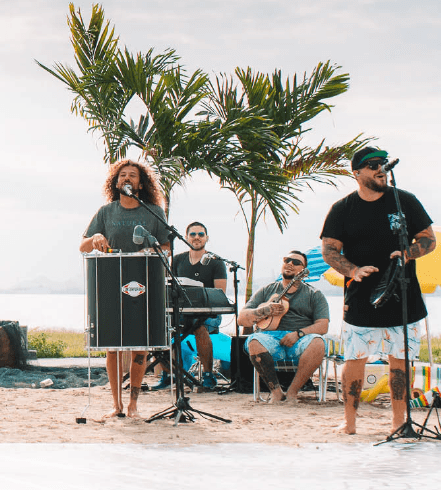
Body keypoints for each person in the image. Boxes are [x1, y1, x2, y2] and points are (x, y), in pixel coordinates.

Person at [321, 147, 435, 434]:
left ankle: (399, 422)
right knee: (355, 359)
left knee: (401, 362)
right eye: (372, 165)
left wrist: (408, 253)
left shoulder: (404, 201)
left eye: (382, 163)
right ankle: (349, 423)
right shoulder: (343, 208)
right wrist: (352, 271)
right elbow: (329, 250)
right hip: (361, 296)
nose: (380, 168)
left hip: (403, 292)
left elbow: (429, 239)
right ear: (357, 173)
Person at [79, 158, 172, 419]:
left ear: (141, 184)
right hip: (110, 283)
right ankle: (116, 405)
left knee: (140, 346)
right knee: (113, 346)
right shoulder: (106, 212)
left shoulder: (153, 211)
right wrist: (94, 238)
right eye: (122, 175)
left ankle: (133, 405)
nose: (127, 179)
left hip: (143, 284)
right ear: (116, 182)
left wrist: (150, 249)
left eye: (132, 175)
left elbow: (166, 247)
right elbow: (82, 247)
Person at [236, 250, 329, 402]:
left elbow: (323, 326)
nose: (290, 264)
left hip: (300, 338)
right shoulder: (267, 290)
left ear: (303, 271)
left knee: (318, 343)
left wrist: (298, 334)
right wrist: (263, 310)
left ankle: (292, 392)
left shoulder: (314, 294)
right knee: (253, 341)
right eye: (287, 260)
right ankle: (276, 392)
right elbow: (242, 319)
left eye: (296, 262)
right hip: (269, 337)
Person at [153, 221, 229, 390]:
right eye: (193, 234)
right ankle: (168, 374)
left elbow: (220, 293)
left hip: (208, 315)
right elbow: (167, 285)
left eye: (200, 234)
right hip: (180, 312)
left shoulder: (216, 262)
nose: (196, 238)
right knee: (158, 326)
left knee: (199, 327)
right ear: (186, 238)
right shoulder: (177, 260)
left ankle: (209, 375)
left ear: (207, 238)